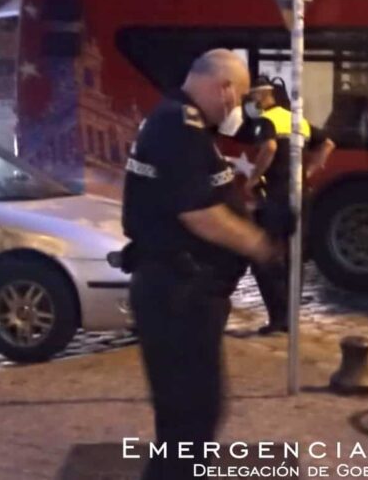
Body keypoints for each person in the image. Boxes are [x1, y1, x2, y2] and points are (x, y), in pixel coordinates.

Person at [118, 49, 285, 480]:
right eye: (240, 95)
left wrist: (249, 208)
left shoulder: (181, 122)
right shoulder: (180, 125)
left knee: (190, 422)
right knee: (189, 423)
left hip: (183, 292)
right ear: (224, 88)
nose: (238, 107)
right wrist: (260, 244)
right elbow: (199, 214)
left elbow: (205, 194)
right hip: (178, 293)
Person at [237, 75, 335, 335]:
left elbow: (268, 148)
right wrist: (309, 171)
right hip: (300, 195)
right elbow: (327, 143)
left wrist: (253, 179)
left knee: (264, 257)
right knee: (294, 257)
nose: (251, 101)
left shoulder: (267, 120)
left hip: (275, 197)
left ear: (265, 94)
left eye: (254, 96)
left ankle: (277, 318)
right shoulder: (296, 119)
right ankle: (290, 317)